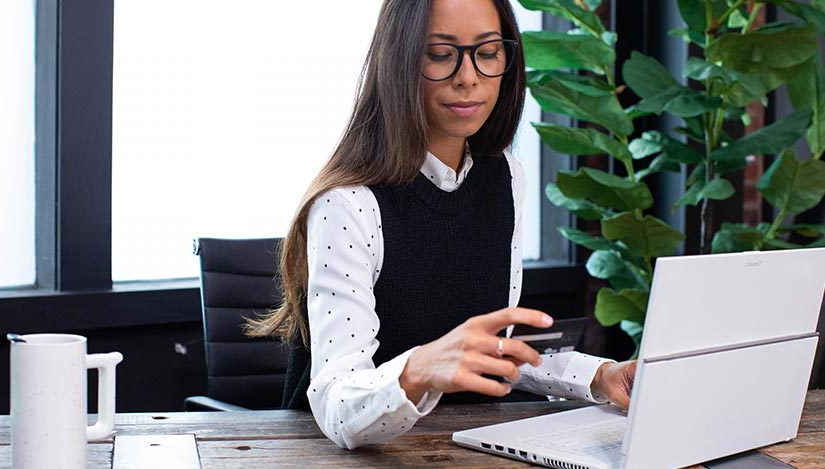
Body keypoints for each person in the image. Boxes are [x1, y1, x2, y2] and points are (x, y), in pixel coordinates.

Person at [247, 0, 636, 450]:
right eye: (440, 54)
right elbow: (338, 405)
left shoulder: (505, 176)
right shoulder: (348, 203)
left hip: (461, 447)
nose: (468, 77)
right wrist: (421, 369)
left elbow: (493, 348)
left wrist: (600, 376)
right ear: (400, 61)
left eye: (488, 52)